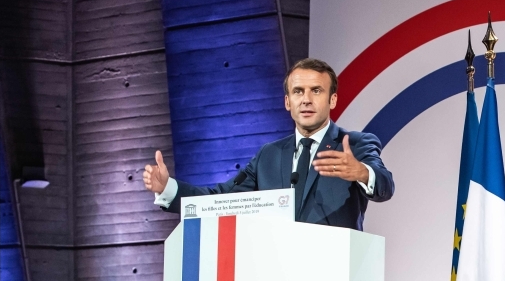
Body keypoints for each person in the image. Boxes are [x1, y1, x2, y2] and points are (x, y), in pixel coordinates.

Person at [143, 58, 393, 229]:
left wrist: (361, 172)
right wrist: (168, 188)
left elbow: (385, 185)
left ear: (333, 100)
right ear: (287, 102)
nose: (306, 100)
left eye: (316, 91)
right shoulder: (268, 156)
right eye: (298, 92)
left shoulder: (356, 144)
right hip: (276, 279)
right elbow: (221, 198)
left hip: (336, 275)